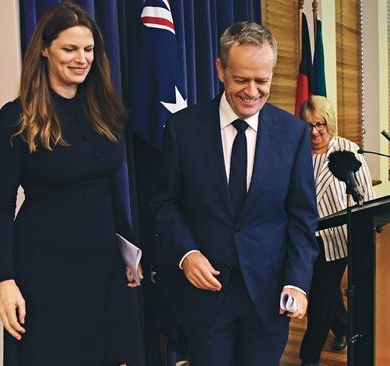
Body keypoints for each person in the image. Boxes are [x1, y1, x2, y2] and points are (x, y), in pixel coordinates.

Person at [151, 22, 319, 366]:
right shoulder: (183, 129)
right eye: (242, 79)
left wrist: (298, 283)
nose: (252, 91)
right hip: (205, 296)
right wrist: (186, 253)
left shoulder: (294, 134)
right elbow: (164, 203)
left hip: (269, 297)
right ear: (220, 70)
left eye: (263, 80)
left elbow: (302, 217)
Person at [0, 3, 141, 365]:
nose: (82, 59)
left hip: (102, 262)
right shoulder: (17, 116)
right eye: (69, 49)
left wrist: (128, 249)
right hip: (44, 268)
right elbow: (0, 203)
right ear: (44, 48)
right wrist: (5, 281)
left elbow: (109, 186)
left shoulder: (105, 110)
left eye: (88, 49)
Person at [298, 96, 375, 366]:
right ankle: (343, 327)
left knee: (318, 301)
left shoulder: (347, 151)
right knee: (326, 293)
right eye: (308, 126)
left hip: (336, 240)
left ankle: (308, 357)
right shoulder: (298, 152)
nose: (315, 132)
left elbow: (364, 196)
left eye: (319, 124)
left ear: (330, 122)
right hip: (305, 240)